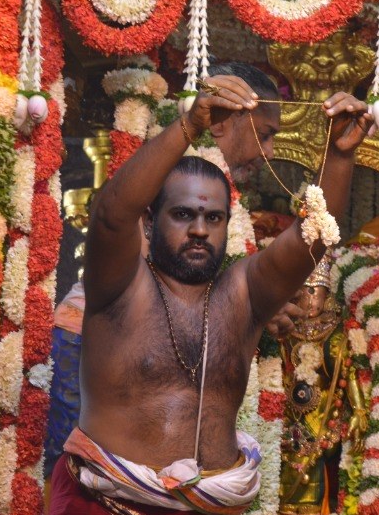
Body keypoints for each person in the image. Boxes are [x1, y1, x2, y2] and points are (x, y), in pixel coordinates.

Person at [37, 74, 370, 515]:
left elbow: (313, 241)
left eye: (213, 219)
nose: (199, 230)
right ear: (156, 220)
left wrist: (339, 159)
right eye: (183, 215)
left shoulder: (243, 295)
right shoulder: (117, 285)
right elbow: (112, 208)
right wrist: (189, 126)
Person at [42, 63, 307, 486]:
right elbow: (156, 264)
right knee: (76, 476)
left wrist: (251, 307)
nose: (270, 152)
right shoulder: (169, 162)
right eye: (267, 133)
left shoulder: (210, 182)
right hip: (113, 352)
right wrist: (238, 305)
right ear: (230, 118)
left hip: (175, 386)